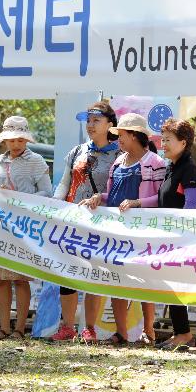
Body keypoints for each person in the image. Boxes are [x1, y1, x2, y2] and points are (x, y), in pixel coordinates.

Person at [80, 112, 165, 346]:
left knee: (144, 280)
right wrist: (99, 198)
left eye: (122, 134)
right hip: (115, 230)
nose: (118, 139)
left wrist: (138, 204)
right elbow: (113, 196)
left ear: (135, 136)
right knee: (116, 278)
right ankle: (121, 333)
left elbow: (161, 198)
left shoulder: (155, 163)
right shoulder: (117, 162)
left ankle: (149, 331)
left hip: (142, 231)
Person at [50, 102, 121, 342]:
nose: (90, 125)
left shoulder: (119, 154)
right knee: (67, 272)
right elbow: (64, 183)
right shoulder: (77, 151)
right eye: (88, 121)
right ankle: (67, 326)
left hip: (101, 224)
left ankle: (89, 328)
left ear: (110, 124)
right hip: (72, 220)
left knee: (94, 274)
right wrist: (53, 207)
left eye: (96, 121)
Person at [0, 116, 52, 340]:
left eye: (20, 139)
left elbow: (47, 192)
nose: (16, 144)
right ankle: (3, 327)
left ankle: (19, 328)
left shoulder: (37, 160)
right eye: (11, 140)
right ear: (5, 141)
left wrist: (23, 200)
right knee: (1, 277)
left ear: (26, 140)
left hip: (24, 226)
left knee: (20, 278)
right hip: (0, 224)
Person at [155, 119, 196, 351]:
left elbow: (191, 206)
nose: (163, 144)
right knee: (169, 286)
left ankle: (184, 333)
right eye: (162, 139)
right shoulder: (170, 167)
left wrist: (178, 235)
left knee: (176, 285)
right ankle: (180, 332)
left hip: (182, 238)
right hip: (168, 237)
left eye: (168, 140)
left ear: (183, 143)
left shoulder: (190, 170)